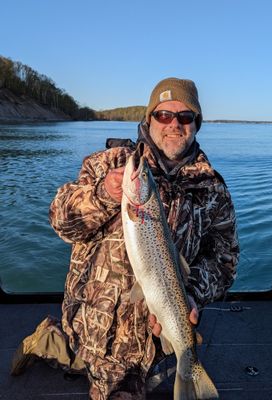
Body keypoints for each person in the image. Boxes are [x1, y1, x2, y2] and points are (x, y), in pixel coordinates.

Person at [11, 78, 239, 399]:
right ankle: (56, 342)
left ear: (196, 124)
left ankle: (60, 343)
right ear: (149, 119)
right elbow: (62, 222)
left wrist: (192, 294)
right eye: (163, 115)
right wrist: (104, 193)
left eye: (185, 117)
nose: (174, 124)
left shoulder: (211, 188)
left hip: (160, 338)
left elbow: (224, 261)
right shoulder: (108, 164)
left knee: (155, 372)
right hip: (98, 334)